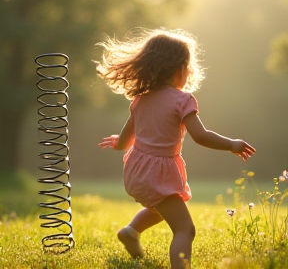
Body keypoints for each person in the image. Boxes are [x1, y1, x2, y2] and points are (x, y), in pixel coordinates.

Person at [96, 28, 256, 269]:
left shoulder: (141, 99)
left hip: (136, 171)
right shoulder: (182, 100)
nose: (189, 72)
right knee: (185, 229)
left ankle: (131, 231)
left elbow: (126, 139)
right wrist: (231, 144)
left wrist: (117, 142)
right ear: (178, 68)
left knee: (160, 207)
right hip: (159, 172)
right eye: (188, 66)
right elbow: (201, 136)